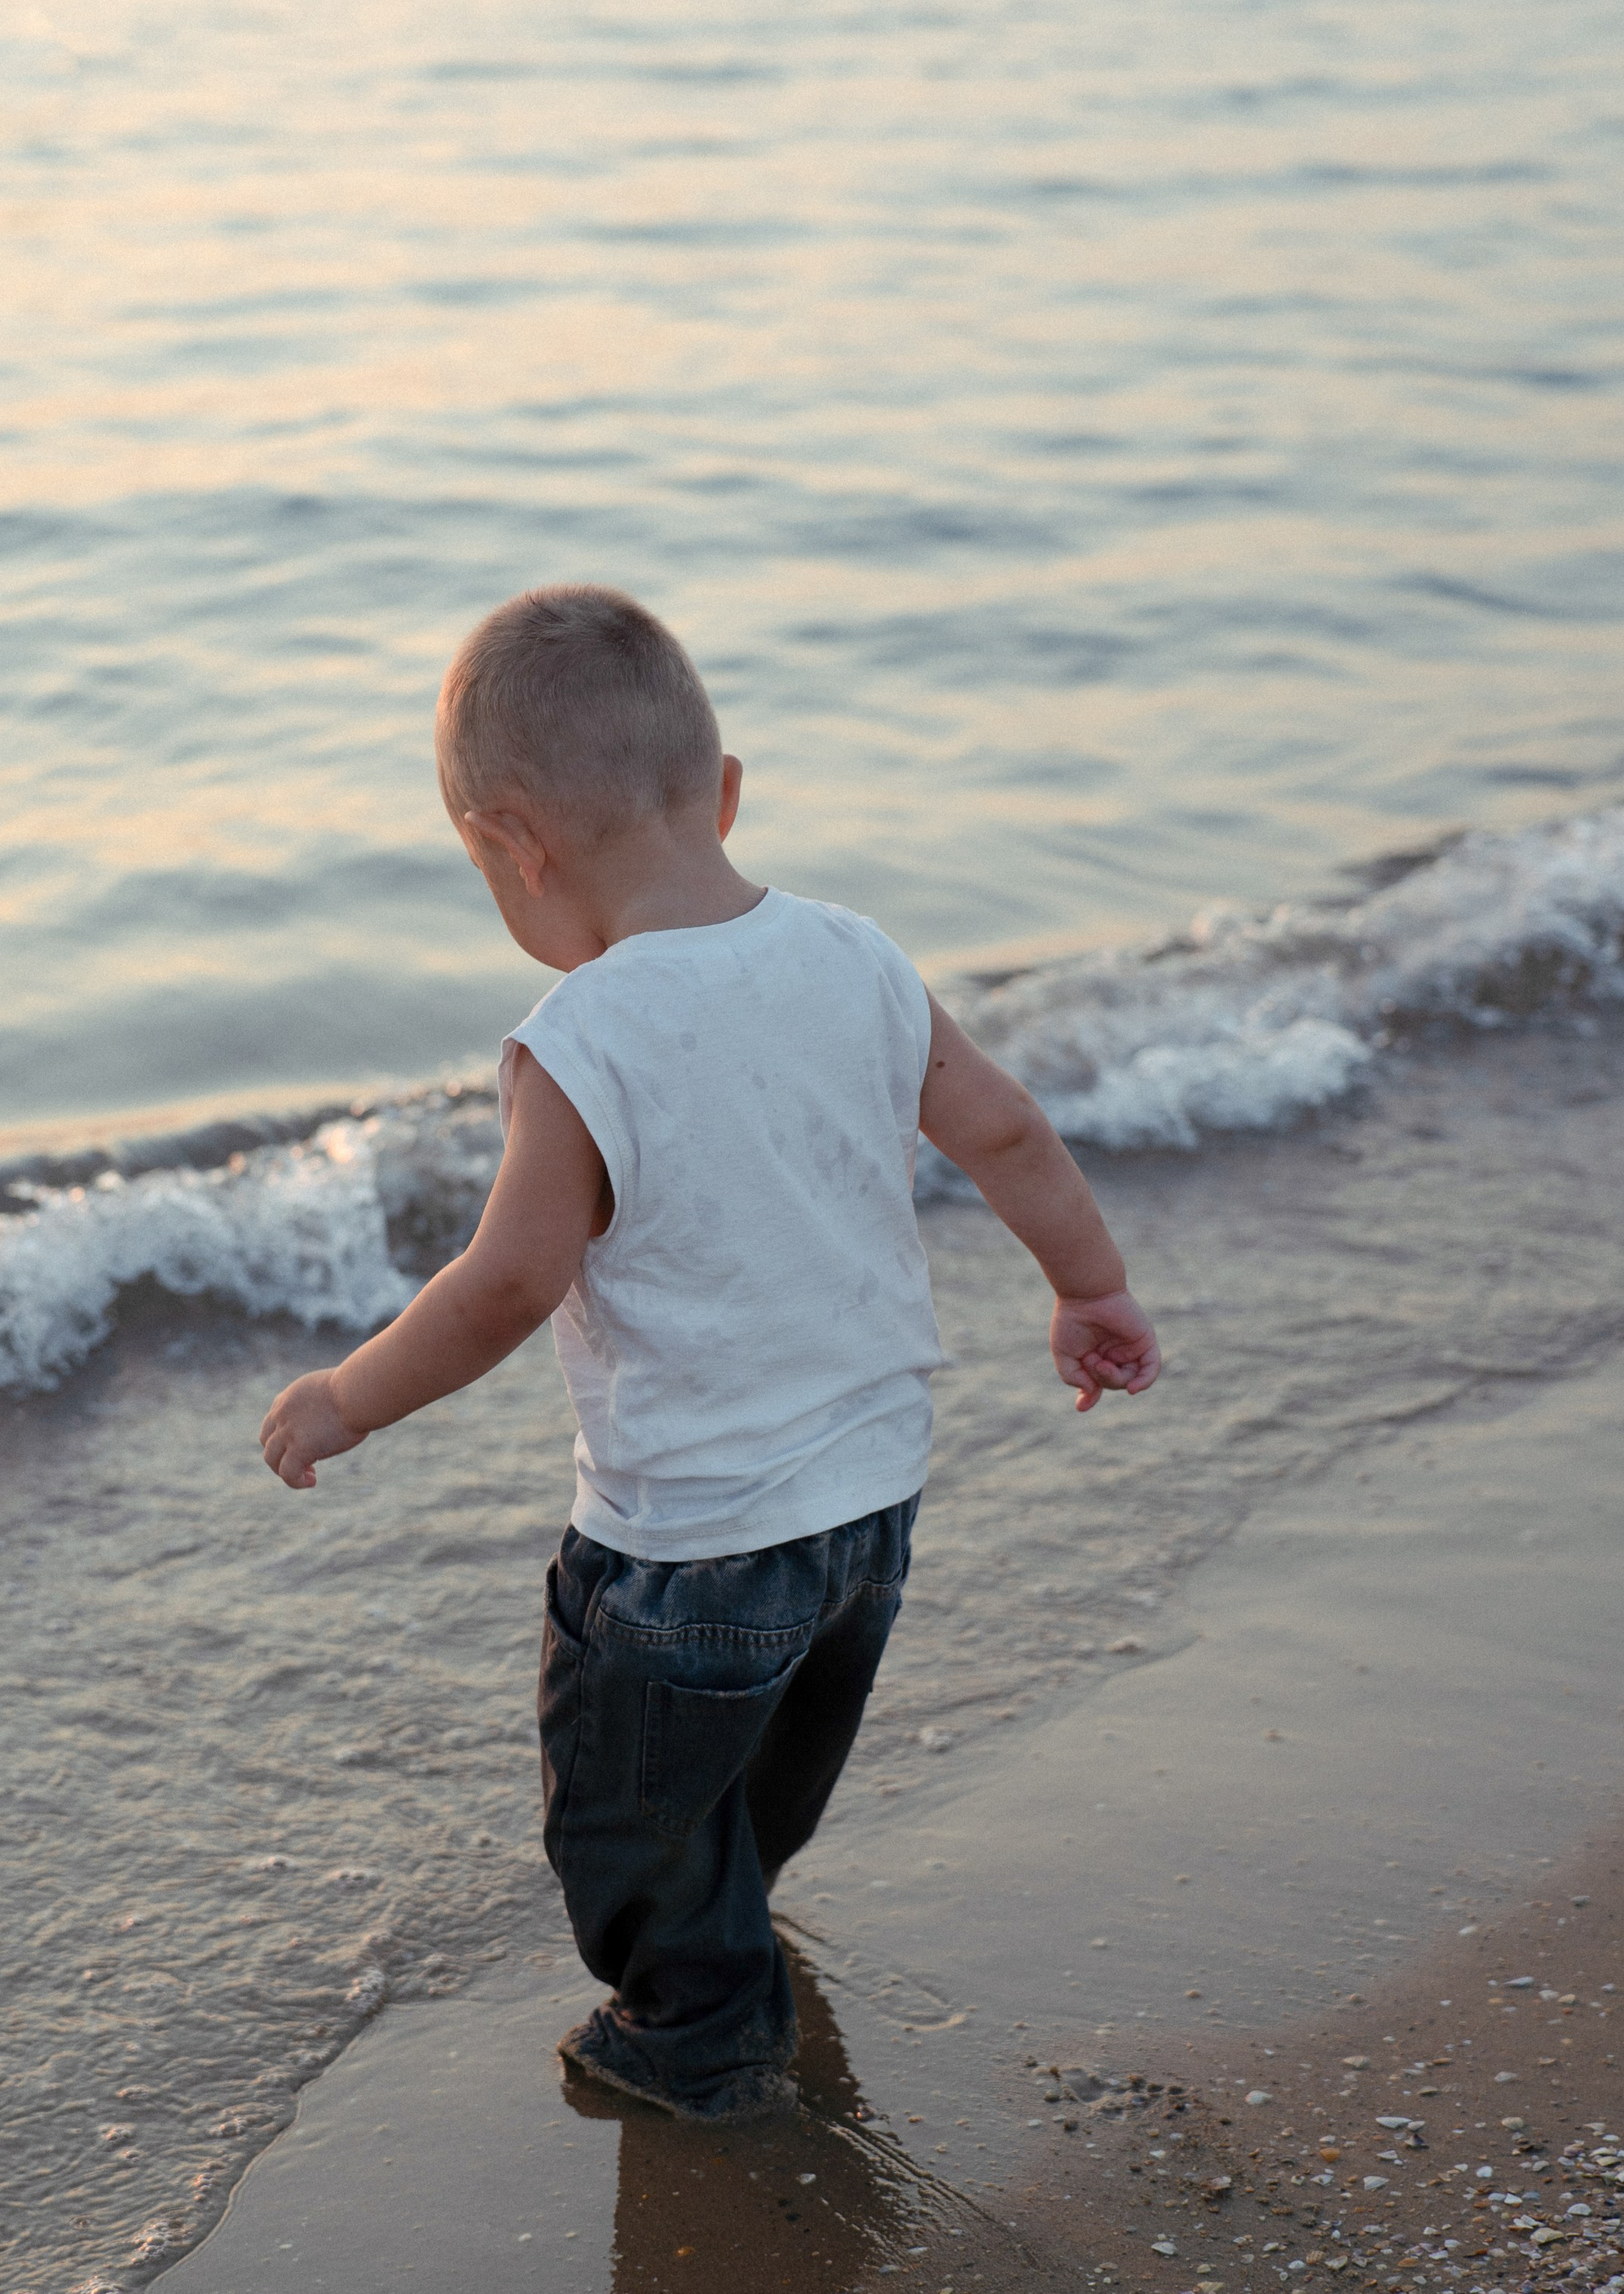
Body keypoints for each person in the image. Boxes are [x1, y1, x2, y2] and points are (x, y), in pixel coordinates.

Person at [260, 587, 1160, 2122]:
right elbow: (1005, 1127)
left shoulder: (585, 1034)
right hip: (870, 1512)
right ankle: (730, 1920)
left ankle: (701, 2032)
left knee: (625, 1818)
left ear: (516, 846)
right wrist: (1091, 1288)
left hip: (685, 1556)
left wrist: (348, 1396)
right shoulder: (859, 955)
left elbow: (509, 1281)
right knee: (760, 1774)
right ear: (725, 791)